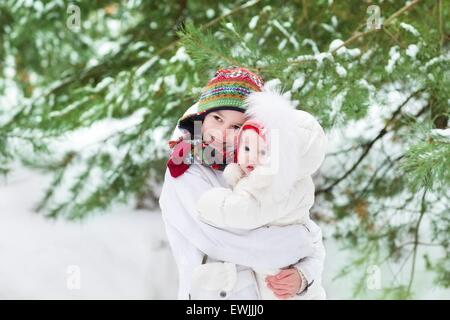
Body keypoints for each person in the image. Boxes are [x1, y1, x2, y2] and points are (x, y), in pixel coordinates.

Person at [159, 67, 325, 300]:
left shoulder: (257, 166)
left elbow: (308, 230)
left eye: (236, 127)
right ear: (202, 117)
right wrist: (301, 241)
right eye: (217, 119)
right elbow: (229, 241)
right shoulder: (185, 171)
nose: (222, 133)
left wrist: (304, 274)